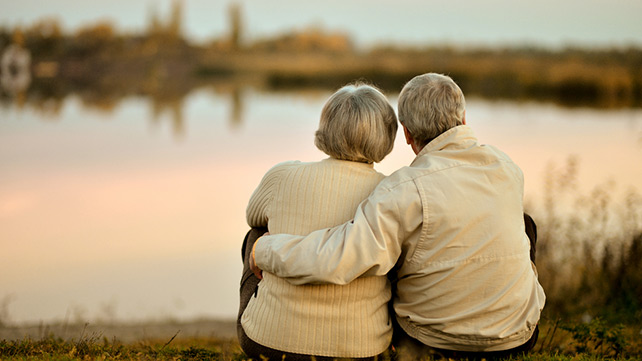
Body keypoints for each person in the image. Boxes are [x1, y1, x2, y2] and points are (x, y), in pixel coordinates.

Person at [251, 73, 546, 359]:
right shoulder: (508, 168)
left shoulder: (404, 189)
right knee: (525, 223)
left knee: (392, 247)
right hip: (517, 338)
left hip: (431, 341)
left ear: (405, 133)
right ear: (464, 119)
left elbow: (340, 257)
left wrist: (264, 248)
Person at [238, 83, 398, 360]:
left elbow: (253, 215)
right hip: (362, 352)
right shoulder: (392, 192)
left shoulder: (282, 175)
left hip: (269, 345)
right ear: (387, 135)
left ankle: (268, 316)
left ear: (326, 127)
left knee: (257, 233)